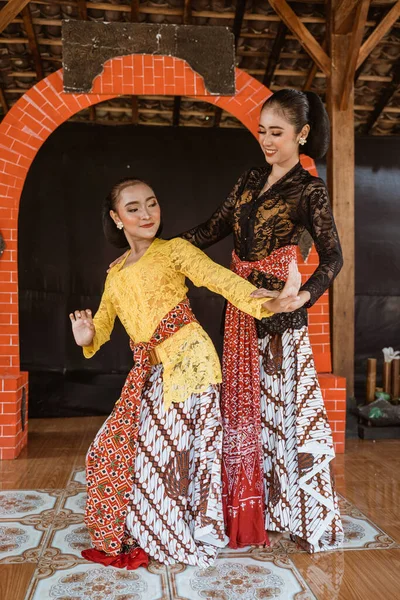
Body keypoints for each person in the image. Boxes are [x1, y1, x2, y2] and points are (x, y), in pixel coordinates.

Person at [70, 176, 302, 569]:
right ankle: (154, 529)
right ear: (116, 218)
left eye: (152, 203)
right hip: (149, 371)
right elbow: (104, 325)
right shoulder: (116, 274)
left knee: (172, 458)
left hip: (190, 362)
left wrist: (268, 302)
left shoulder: (174, 250)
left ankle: (175, 536)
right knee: (107, 452)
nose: (146, 214)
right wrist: (86, 334)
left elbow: (219, 279)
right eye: (133, 208)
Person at [178, 89, 344, 553]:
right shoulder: (250, 179)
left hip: (280, 316)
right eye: (262, 132)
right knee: (245, 416)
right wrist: (162, 250)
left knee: (284, 416)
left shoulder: (309, 189)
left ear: (302, 135)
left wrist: (304, 297)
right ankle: (249, 512)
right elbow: (212, 229)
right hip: (240, 308)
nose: (267, 142)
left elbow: (334, 256)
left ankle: (297, 516)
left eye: (277, 133)